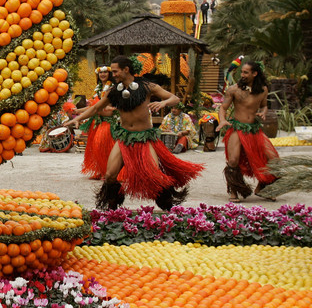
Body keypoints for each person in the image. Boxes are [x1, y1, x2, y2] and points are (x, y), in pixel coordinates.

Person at [65, 55, 204, 210]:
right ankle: (112, 207)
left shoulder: (147, 86)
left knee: (153, 175)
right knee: (110, 175)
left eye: (116, 71)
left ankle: (168, 205)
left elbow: (174, 99)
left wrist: (163, 103)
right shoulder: (114, 91)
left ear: (126, 69)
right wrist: (76, 119)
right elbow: (96, 108)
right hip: (124, 137)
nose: (113, 74)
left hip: (144, 138)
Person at [216, 60, 279, 202]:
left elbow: (264, 105)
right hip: (237, 128)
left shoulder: (263, 89)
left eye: (246, 72)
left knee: (274, 158)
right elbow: (223, 108)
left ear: (254, 74)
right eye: (242, 72)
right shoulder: (233, 89)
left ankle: (262, 187)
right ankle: (233, 190)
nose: (242, 75)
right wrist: (222, 120)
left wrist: (263, 112)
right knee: (233, 160)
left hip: (254, 130)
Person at [80, 65, 117, 179]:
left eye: (105, 72)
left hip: (110, 121)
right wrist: (78, 111)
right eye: (101, 73)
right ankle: (101, 171)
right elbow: (94, 106)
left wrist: (112, 109)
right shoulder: (99, 88)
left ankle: (110, 172)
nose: (103, 74)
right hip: (99, 121)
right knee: (97, 148)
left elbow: (115, 105)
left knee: (107, 148)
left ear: (109, 74)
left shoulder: (112, 87)